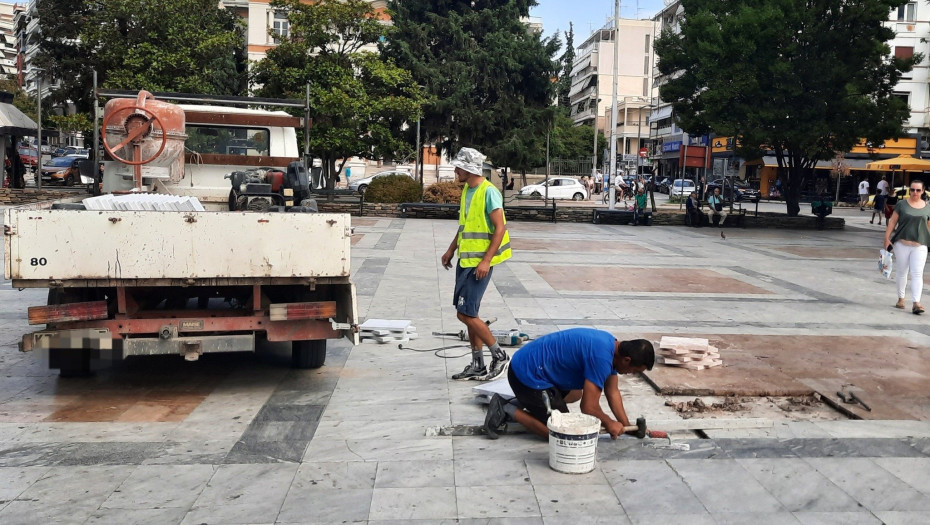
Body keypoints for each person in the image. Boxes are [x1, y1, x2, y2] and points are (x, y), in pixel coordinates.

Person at [483, 328, 655, 440]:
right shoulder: (601, 357)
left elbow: (613, 392)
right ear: (627, 360)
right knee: (561, 432)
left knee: (577, 392)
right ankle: (506, 408)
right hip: (526, 375)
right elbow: (588, 408)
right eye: (634, 371)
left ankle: (530, 403)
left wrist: (626, 425)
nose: (630, 374)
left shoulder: (612, 346)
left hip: (537, 368)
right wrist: (609, 423)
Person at [442, 147, 512, 381]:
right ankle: (477, 364)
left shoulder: (489, 192)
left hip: (478, 264)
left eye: (458, 167)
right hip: (466, 260)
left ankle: (499, 356)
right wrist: (451, 249)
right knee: (469, 312)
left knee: (465, 315)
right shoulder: (467, 191)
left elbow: (499, 228)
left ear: (469, 169)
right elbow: (464, 226)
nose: (455, 171)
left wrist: (486, 260)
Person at [883, 179, 930, 315]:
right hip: (902, 243)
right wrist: (886, 238)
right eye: (913, 190)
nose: (915, 192)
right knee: (902, 271)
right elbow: (892, 222)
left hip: (920, 245)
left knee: (917, 273)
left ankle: (916, 303)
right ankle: (901, 298)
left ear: (922, 191)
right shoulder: (902, 205)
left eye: (918, 190)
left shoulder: (927, 207)